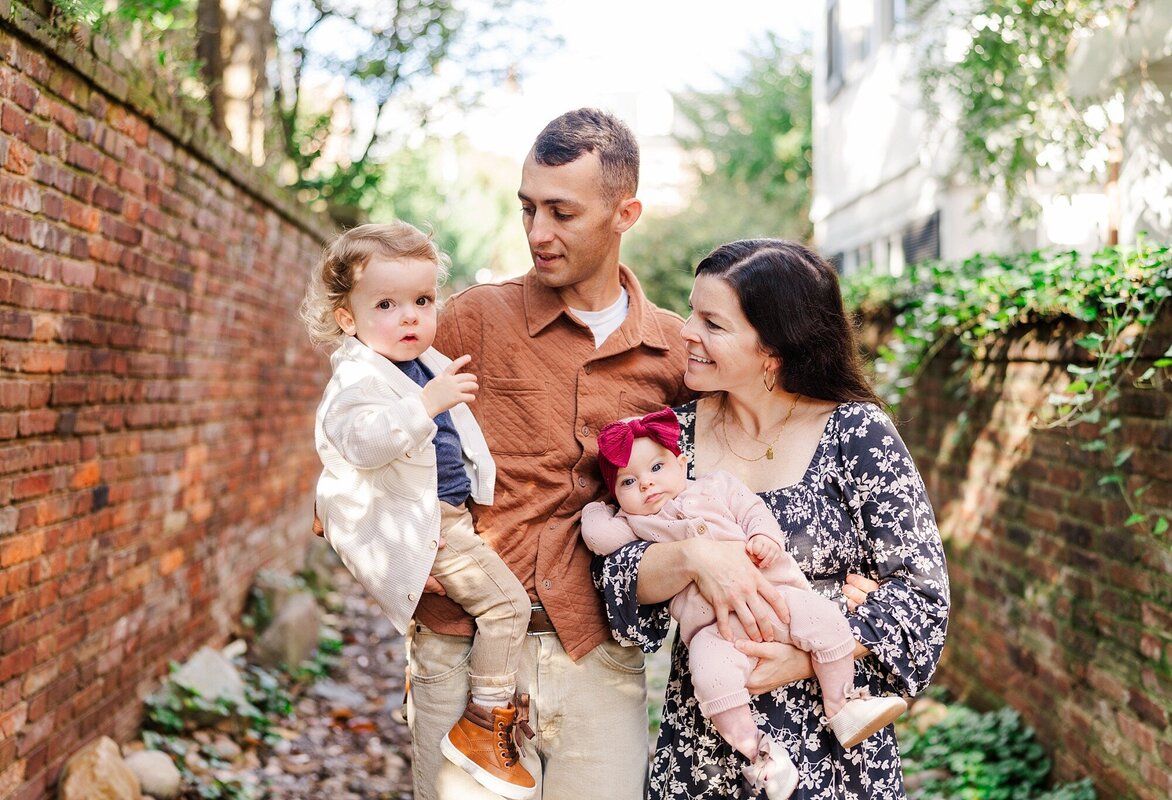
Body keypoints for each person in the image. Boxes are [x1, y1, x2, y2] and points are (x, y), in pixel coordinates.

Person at [406, 108, 692, 800]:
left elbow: (744, 466)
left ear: (625, 213)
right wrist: (404, 554)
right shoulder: (470, 320)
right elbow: (361, 434)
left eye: (562, 212)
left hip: (598, 657)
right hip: (462, 652)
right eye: (528, 209)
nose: (538, 233)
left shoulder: (679, 351)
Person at [597, 239, 950, 799]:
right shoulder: (668, 440)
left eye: (712, 323)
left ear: (773, 351)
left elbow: (921, 597)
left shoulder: (855, 434)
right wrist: (693, 558)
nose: (686, 331)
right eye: (692, 311)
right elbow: (615, 575)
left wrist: (803, 656)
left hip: (832, 753)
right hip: (705, 749)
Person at [301, 222, 537, 800]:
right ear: (346, 318)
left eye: (423, 301)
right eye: (387, 304)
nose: (410, 317)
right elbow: (361, 443)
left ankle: (486, 713)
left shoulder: (422, 360)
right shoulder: (356, 377)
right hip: (428, 526)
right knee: (508, 607)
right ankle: (486, 721)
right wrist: (424, 407)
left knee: (500, 602)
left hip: (448, 516)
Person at [581, 408, 909, 799]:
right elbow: (600, 540)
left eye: (656, 468)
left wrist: (764, 537)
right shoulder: (636, 523)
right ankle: (761, 755)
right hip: (714, 633)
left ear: (682, 462)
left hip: (778, 598)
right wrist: (596, 507)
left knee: (827, 622)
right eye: (629, 481)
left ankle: (843, 705)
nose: (647, 484)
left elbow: (753, 510)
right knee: (711, 679)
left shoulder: (715, 486)